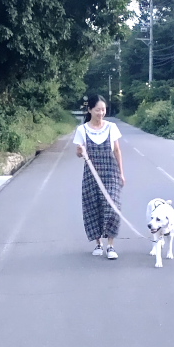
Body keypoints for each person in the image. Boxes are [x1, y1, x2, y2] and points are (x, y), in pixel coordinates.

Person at [73, 94, 125, 259]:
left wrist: (121, 173)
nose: (101, 113)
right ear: (90, 110)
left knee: (112, 206)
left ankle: (111, 245)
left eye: (103, 110)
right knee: (93, 206)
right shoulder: (82, 130)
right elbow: (78, 153)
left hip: (111, 173)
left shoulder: (111, 127)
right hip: (91, 174)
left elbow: (117, 150)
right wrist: (80, 151)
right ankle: (98, 243)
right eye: (98, 110)